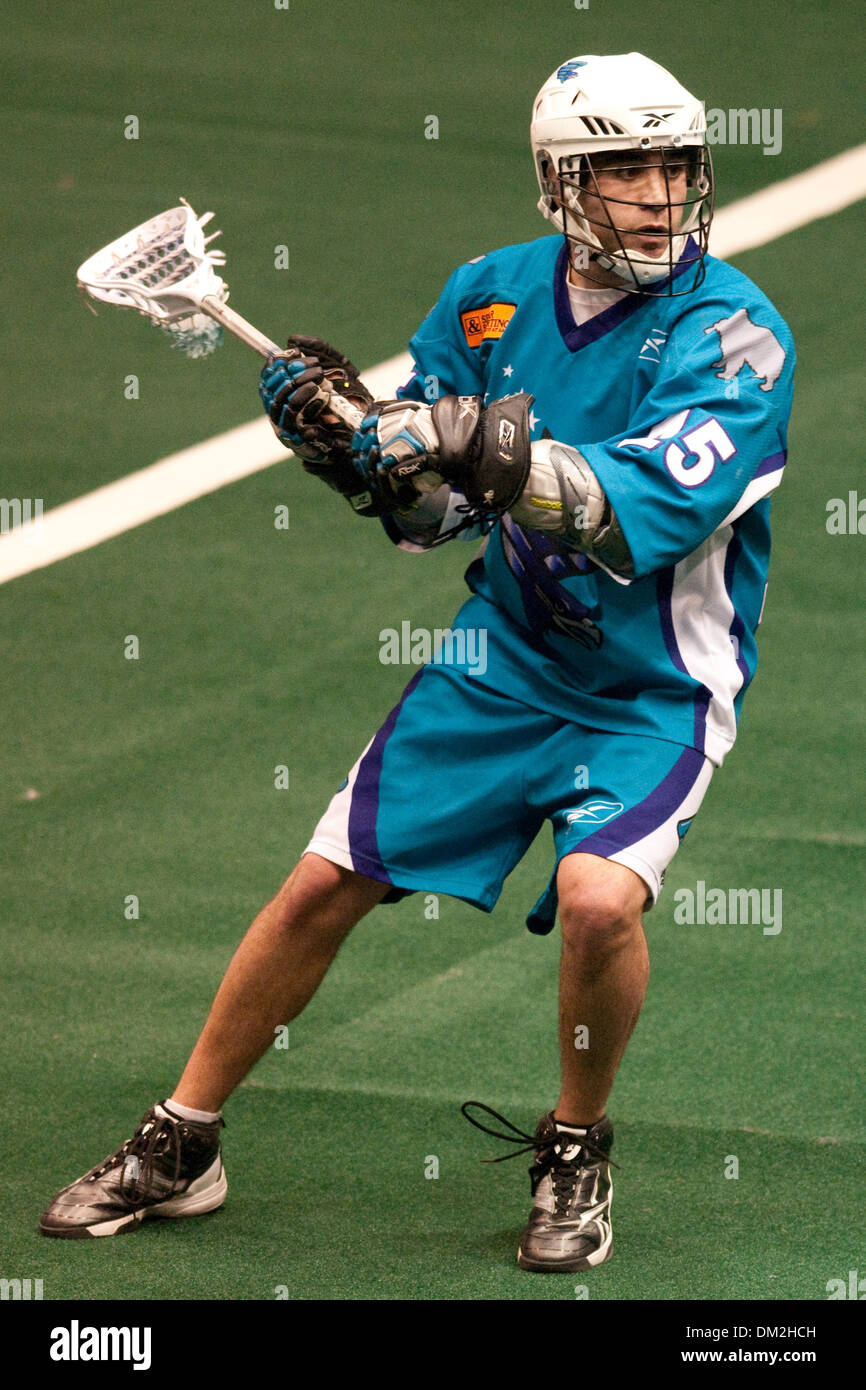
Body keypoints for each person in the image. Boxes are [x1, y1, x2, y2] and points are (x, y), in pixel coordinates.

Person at [40, 52, 794, 1273]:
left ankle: (574, 1143)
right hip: (501, 660)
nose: (655, 192)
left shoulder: (735, 337)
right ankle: (182, 1139)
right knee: (322, 879)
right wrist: (349, 448)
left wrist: (477, 452)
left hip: (651, 686)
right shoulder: (489, 299)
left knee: (602, 898)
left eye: (672, 163)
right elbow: (434, 512)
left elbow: (624, 508)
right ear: (560, 182)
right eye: (620, 167)